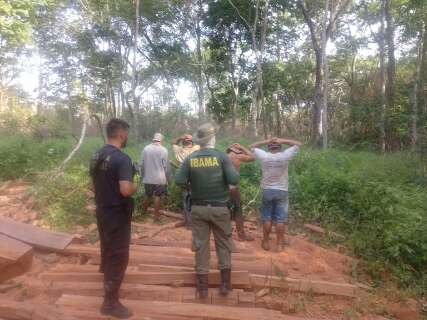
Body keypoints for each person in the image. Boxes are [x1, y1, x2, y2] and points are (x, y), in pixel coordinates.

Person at [175, 123, 239, 298]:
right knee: (224, 245)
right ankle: (225, 285)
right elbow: (234, 179)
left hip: (198, 209)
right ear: (212, 139)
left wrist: (191, 185)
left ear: (200, 141)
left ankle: (202, 288)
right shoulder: (221, 157)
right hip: (220, 209)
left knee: (201, 246)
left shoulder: (191, 158)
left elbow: (179, 180)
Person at [89, 118, 137, 319]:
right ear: (122, 134)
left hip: (102, 210)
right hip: (117, 213)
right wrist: (136, 185)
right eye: (127, 135)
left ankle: (109, 285)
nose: (127, 138)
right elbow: (126, 190)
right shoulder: (122, 159)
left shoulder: (96, 155)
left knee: (108, 250)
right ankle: (110, 303)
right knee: (119, 256)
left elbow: (93, 185)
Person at [250, 137, 301, 252]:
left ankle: (266, 242)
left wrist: (265, 141)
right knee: (280, 220)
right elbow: (298, 144)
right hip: (282, 191)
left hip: (267, 190)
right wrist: (282, 140)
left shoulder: (264, 156)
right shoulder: (285, 155)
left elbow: (252, 146)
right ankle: (278, 245)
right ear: (280, 147)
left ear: (269, 148)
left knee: (267, 218)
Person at [226, 143, 255, 241]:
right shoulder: (238, 156)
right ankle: (241, 235)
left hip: (223, 188)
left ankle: (225, 234)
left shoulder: (224, 157)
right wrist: (243, 146)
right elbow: (253, 157)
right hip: (234, 188)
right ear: (237, 151)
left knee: (225, 210)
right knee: (238, 211)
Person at [140, 133, 170, 222]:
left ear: (153, 139)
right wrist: (168, 178)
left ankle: (143, 213)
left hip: (148, 178)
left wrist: (142, 175)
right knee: (157, 196)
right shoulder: (164, 150)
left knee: (147, 195)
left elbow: (141, 164)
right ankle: (156, 217)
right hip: (160, 178)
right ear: (161, 140)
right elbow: (166, 167)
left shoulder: (146, 149)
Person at [172, 134, 200, 227]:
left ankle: (189, 222)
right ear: (192, 142)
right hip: (195, 177)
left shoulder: (179, 150)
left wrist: (180, 137)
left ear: (182, 142)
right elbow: (201, 142)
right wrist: (192, 138)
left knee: (185, 198)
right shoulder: (196, 148)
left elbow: (174, 142)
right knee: (195, 199)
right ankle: (196, 221)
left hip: (183, 177)